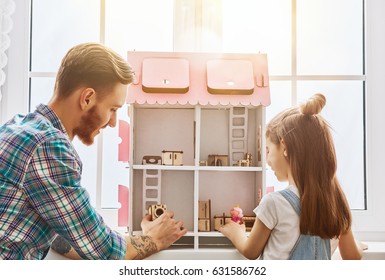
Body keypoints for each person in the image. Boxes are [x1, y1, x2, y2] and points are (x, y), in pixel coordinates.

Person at [0, 42, 187, 260]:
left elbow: (65, 234)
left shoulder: (18, 126)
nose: (114, 122)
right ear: (87, 98)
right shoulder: (48, 147)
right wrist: (154, 239)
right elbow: (104, 252)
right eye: (112, 109)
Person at [219, 93, 362, 260]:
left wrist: (236, 233)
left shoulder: (274, 203)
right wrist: (358, 245)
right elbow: (352, 256)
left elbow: (251, 251)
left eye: (268, 150)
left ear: (284, 147)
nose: (267, 159)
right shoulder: (336, 203)